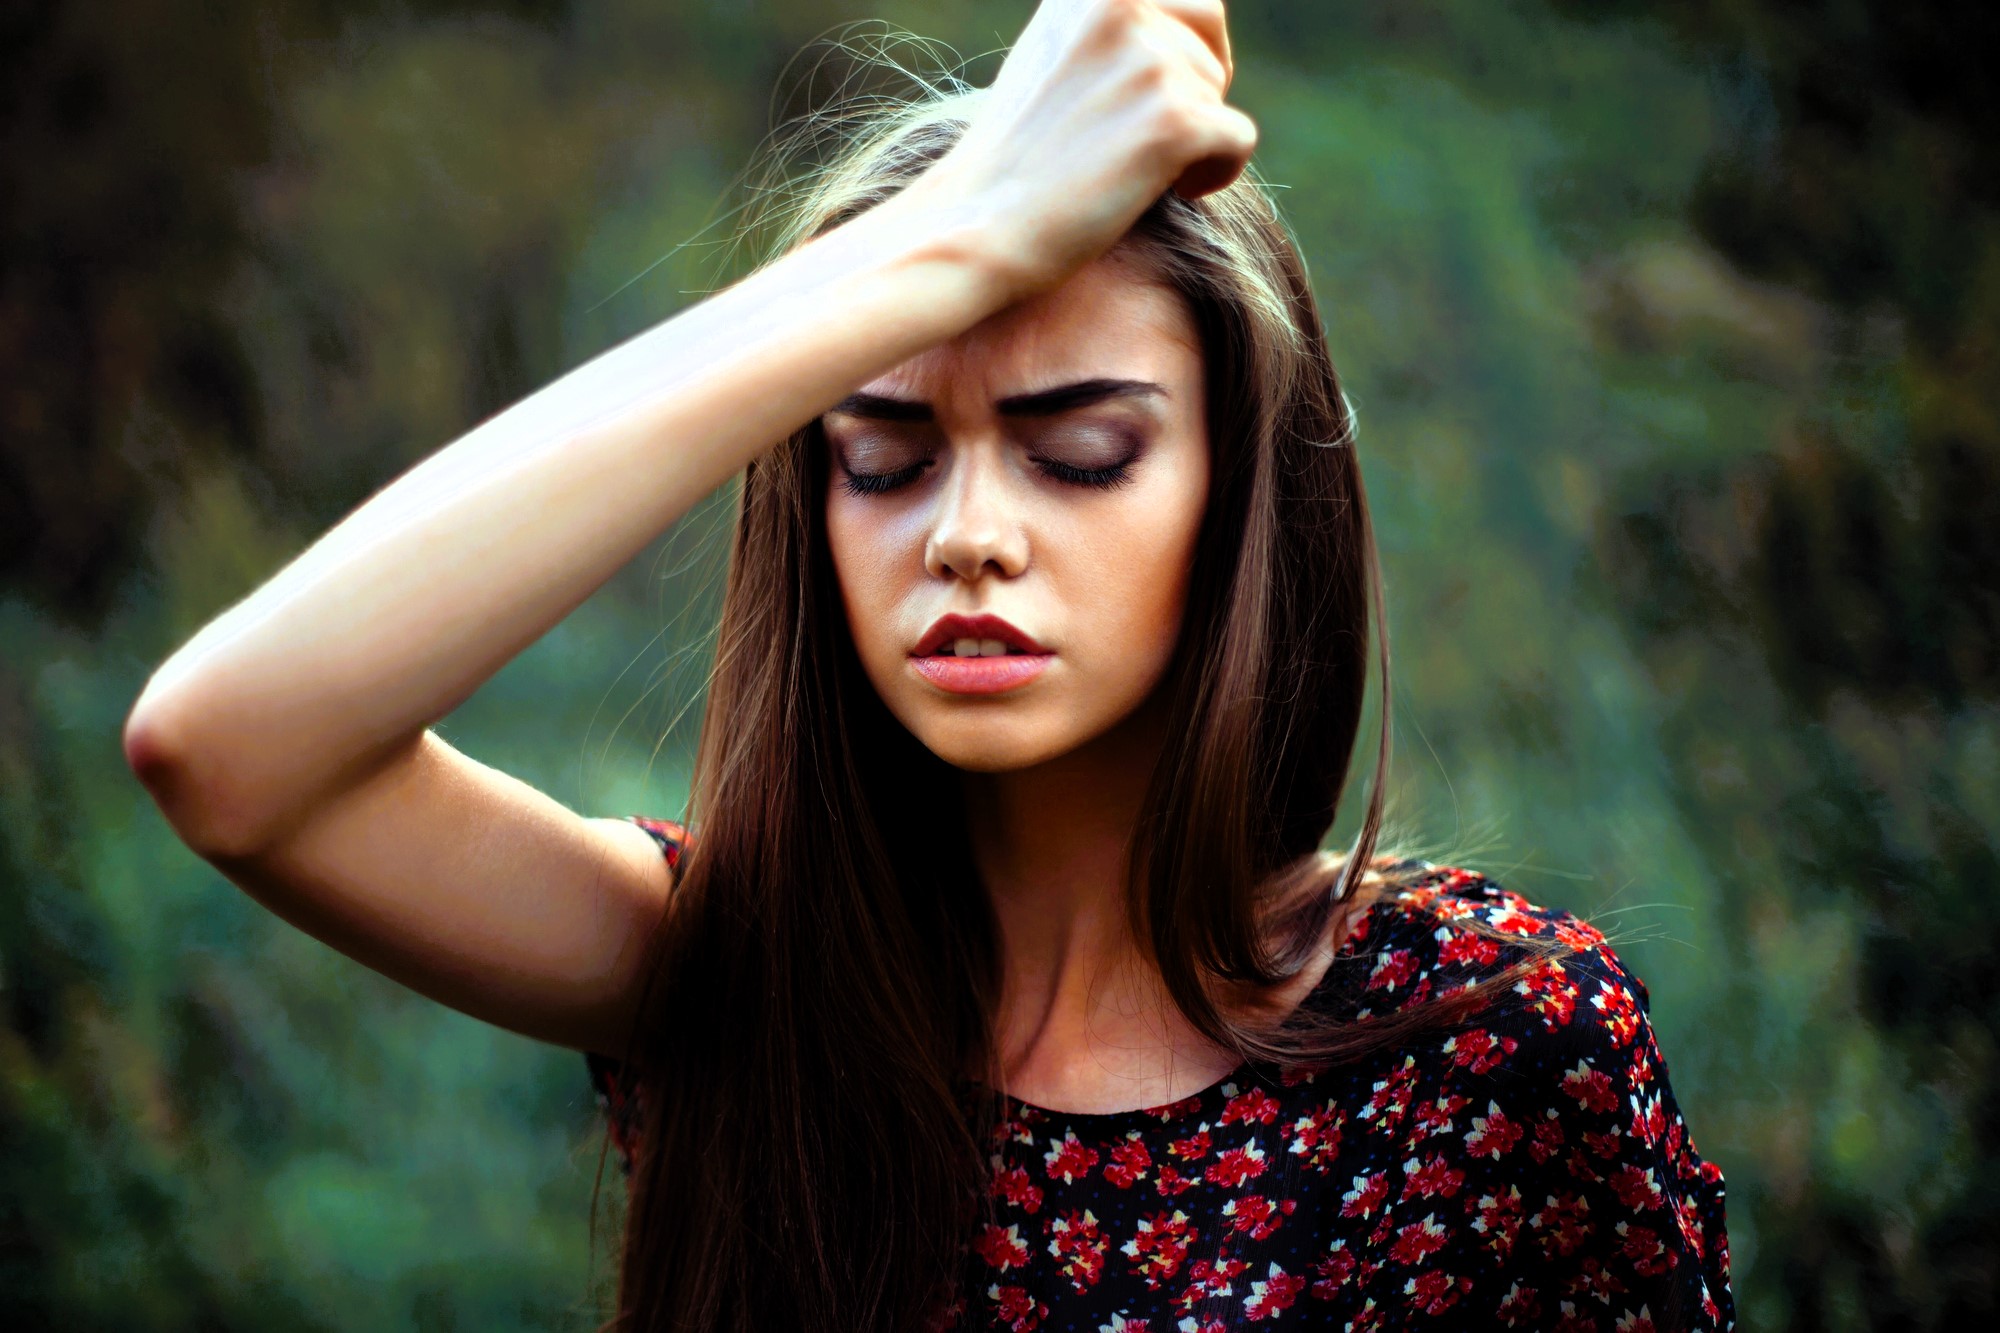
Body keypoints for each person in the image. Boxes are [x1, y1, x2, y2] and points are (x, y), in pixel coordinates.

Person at [123, 1, 1732, 1329]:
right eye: (883, 455)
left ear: (1243, 491)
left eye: (1082, 451)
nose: (968, 534)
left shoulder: (1499, 1043)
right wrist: (946, 243)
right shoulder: (734, 979)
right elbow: (230, 744)